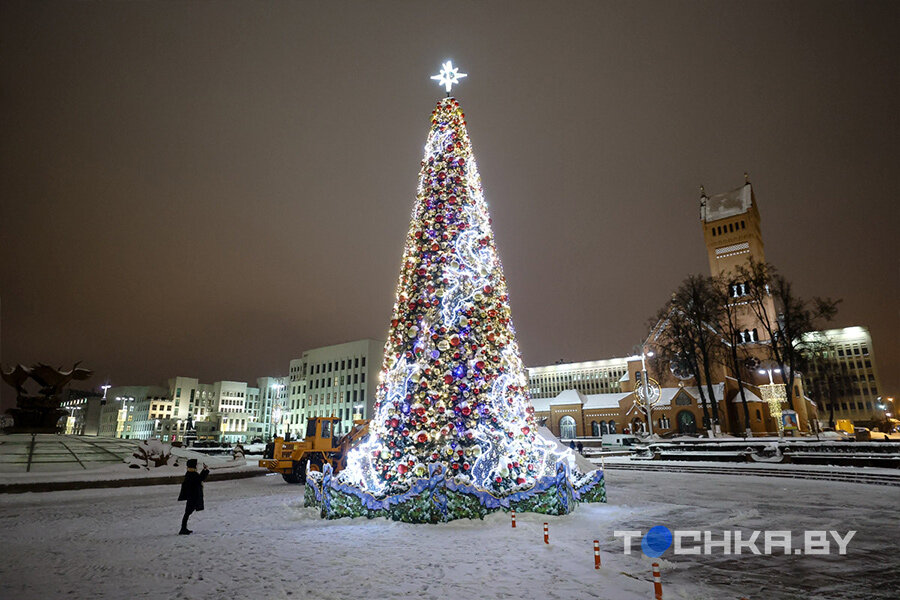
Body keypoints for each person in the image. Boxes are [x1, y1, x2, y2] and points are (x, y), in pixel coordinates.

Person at [177, 458, 209, 535]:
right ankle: (183, 528)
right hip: (193, 496)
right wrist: (205, 470)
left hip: (192, 496)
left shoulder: (190, 473)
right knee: (187, 512)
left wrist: (204, 470)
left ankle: (183, 528)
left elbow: (199, 478)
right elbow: (200, 478)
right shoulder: (192, 474)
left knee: (187, 512)